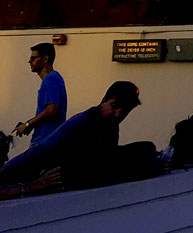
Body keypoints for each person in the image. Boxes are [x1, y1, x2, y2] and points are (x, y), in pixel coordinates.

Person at [0, 81, 140, 193]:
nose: (118, 114)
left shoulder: (109, 126)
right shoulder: (84, 123)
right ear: (103, 100)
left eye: (124, 111)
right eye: (114, 106)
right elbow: (41, 154)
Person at [14, 42, 66, 148]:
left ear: (45, 59)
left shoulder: (50, 79)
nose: (29, 61)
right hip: (50, 140)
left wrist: (28, 124)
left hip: (44, 141)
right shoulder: (56, 77)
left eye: (33, 58)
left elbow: (51, 110)